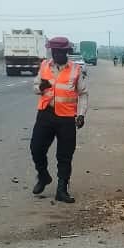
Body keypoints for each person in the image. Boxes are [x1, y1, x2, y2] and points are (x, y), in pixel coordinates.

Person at [30, 36, 88, 203]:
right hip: (45, 115)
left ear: (66, 52)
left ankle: (62, 189)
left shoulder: (76, 69)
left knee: (65, 155)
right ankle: (43, 176)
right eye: (54, 51)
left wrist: (81, 114)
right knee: (36, 148)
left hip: (67, 118)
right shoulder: (44, 66)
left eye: (60, 52)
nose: (56, 54)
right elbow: (35, 87)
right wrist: (41, 87)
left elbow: (83, 94)